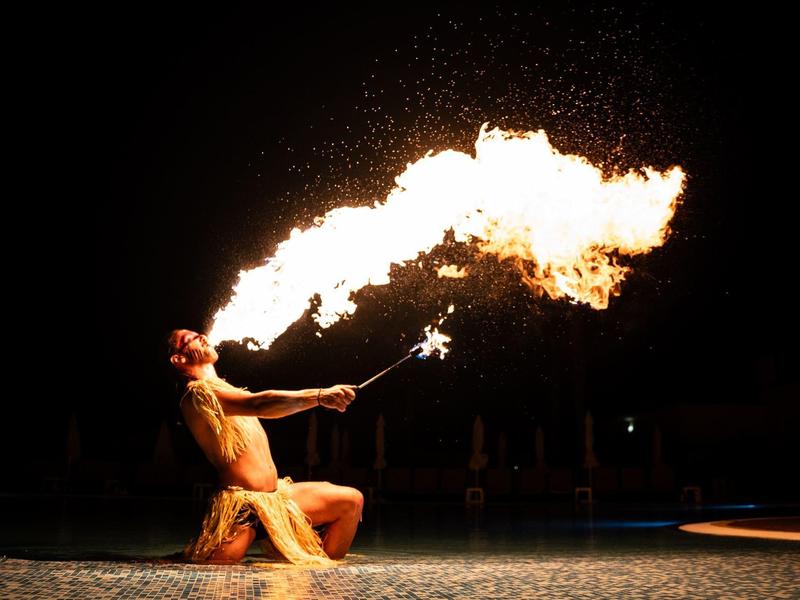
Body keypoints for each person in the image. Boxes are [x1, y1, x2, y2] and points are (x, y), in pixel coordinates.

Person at [167, 328, 362, 566]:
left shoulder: (227, 389)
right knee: (215, 571)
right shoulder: (197, 395)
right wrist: (319, 396)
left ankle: (321, 580)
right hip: (242, 509)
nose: (203, 337)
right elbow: (260, 403)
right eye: (192, 339)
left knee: (351, 501)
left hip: (276, 500)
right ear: (179, 358)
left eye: (201, 334)